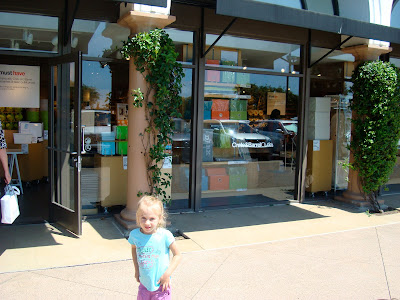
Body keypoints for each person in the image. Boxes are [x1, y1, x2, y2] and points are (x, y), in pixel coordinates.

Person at [128, 195, 181, 300]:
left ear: (159, 218)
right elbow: (134, 249)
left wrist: (167, 274)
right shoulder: (135, 235)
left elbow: (178, 255)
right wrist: (136, 270)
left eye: (152, 219)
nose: (147, 222)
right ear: (138, 217)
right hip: (144, 285)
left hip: (162, 286)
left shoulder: (165, 235)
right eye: (143, 218)